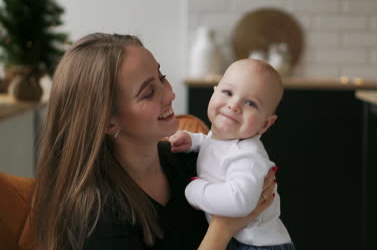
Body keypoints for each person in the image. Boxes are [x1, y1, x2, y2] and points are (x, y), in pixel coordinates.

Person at [31, 33, 277, 250]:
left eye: (162, 77)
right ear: (108, 123)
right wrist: (224, 228)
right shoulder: (96, 218)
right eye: (148, 92)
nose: (170, 94)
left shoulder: (187, 160)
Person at [168, 59, 295, 249]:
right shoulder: (225, 140)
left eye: (250, 103)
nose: (234, 105)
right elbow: (216, 147)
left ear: (265, 124)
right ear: (214, 93)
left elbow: (239, 201)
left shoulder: (249, 157)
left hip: (257, 246)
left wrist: (194, 190)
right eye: (227, 92)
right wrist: (194, 141)